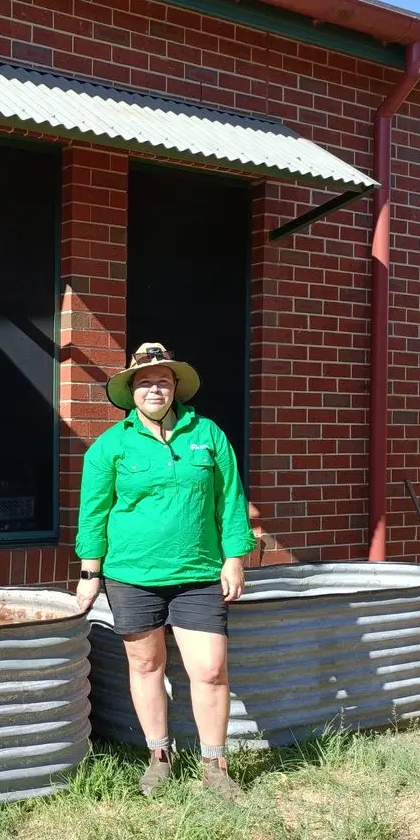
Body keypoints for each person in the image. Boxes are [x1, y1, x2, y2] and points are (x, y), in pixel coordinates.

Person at [74, 342, 256, 799]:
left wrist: (235, 557)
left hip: (198, 574)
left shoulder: (209, 435)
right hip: (131, 575)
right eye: (144, 381)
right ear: (131, 390)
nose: (154, 388)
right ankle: (159, 756)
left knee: (211, 669)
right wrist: (90, 573)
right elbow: (93, 513)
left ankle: (215, 764)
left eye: (163, 380)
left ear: (176, 388)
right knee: (146, 664)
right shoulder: (109, 446)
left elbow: (229, 501)